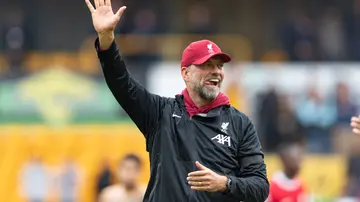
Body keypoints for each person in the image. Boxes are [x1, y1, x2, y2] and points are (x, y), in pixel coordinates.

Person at [85, 0, 269, 201]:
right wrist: (106, 38)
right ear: (186, 73)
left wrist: (225, 183)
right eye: (207, 65)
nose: (216, 71)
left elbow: (260, 187)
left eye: (219, 66)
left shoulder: (240, 124)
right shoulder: (160, 113)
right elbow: (121, 83)